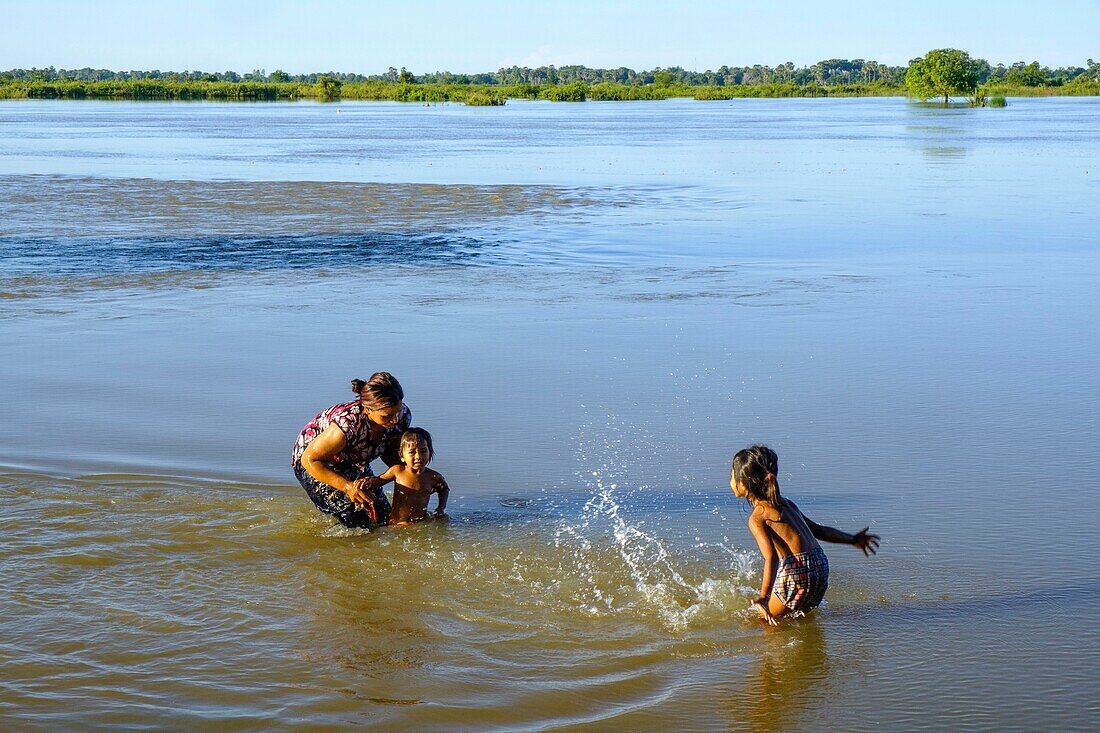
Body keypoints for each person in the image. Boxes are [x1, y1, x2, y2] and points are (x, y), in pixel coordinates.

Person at [730, 445, 879, 624]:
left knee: (763, 622)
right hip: (820, 565)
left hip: (796, 571)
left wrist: (764, 596)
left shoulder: (758, 517)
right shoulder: (788, 504)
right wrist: (853, 539)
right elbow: (820, 531)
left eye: (732, 475)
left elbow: (771, 558)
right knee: (799, 619)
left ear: (744, 482)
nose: (730, 480)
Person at [292, 372, 411, 528]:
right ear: (368, 409)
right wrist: (347, 487)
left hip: (354, 459)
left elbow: (389, 453)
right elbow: (310, 459)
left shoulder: (402, 417)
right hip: (316, 461)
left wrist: (415, 475)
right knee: (357, 519)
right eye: (387, 416)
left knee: (384, 517)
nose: (395, 420)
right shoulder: (348, 424)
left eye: (398, 411)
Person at [369, 428, 449, 525]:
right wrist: (367, 483)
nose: (418, 456)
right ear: (402, 456)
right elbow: (379, 481)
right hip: (396, 524)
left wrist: (441, 508)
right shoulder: (397, 471)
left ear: (430, 453)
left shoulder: (433, 476)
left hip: (420, 524)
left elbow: (444, 489)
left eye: (423, 451)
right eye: (412, 452)